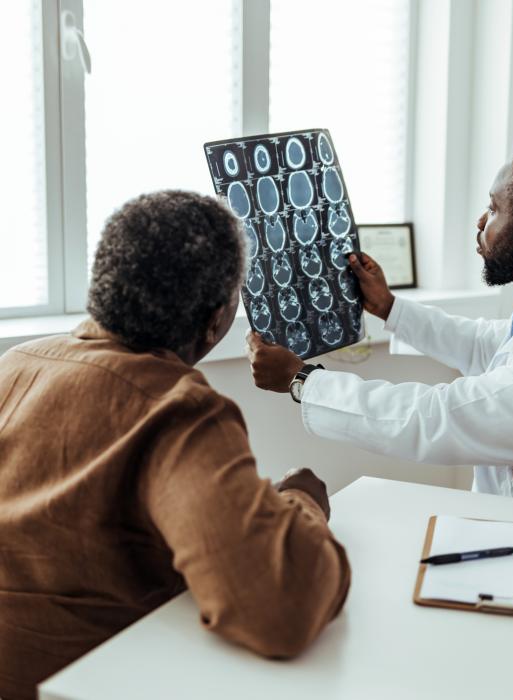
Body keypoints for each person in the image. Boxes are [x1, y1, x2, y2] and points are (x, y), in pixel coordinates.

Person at [0, 191, 350, 700]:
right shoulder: (174, 407)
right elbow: (280, 604)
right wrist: (303, 504)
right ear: (215, 320)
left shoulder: (15, 366)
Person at [248, 128, 513, 518]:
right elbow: (493, 345)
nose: (481, 222)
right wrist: (391, 308)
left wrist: (303, 380)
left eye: (494, 208)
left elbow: (437, 419)